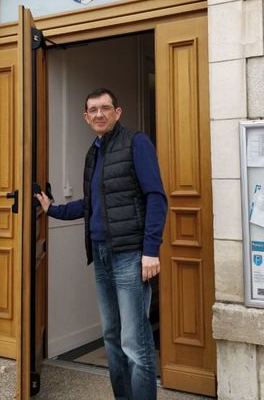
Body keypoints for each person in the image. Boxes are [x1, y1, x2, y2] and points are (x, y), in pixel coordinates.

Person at [35, 87, 167, 400]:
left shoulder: (137, 143)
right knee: (111, 337)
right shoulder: (93, 152)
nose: (99, 114)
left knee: (135, 342)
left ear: (117, 112)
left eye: (105, 108)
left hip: (130, 255)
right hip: (101, 254)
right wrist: (53, 209)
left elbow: (156, 197)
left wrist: (150, 250)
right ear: (85, 116)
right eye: (92, 110)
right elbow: (92, 203)